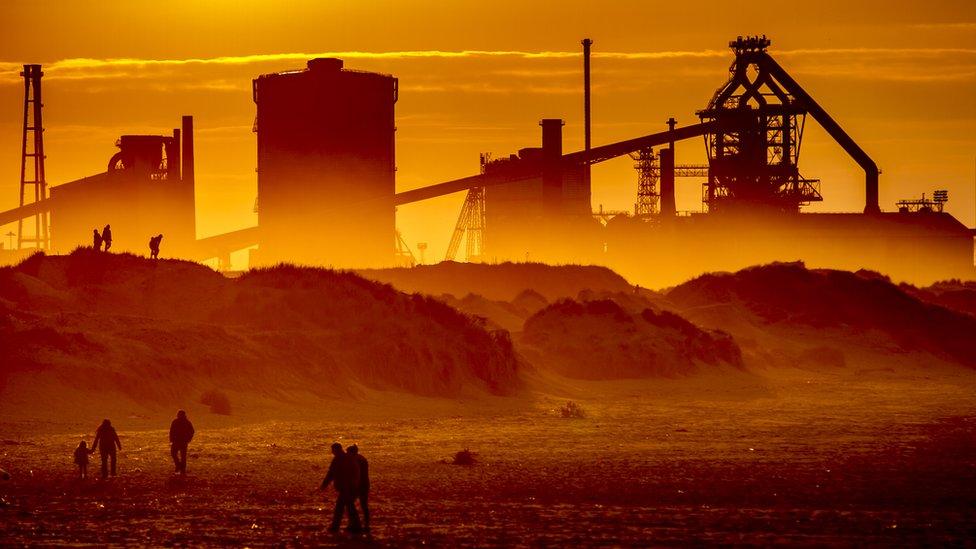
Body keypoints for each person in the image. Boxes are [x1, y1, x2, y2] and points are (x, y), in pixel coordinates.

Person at [319, 442, 361, 533]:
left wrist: (324, 485)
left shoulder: (342, 459)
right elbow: (331, 473)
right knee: (348, 506)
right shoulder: (342, 458)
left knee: (342, 507)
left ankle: (337, 526)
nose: (332, 452)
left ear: (337, 450)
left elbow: (332, 474)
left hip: (347, 488)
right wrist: (324, 484)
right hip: (347, 487)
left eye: (333, 450)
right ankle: (355, 525)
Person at [347, 444, 370, 532]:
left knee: (350, 504)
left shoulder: (355, 460)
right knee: (364, 505)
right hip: (365, 484)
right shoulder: (362, 458)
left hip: (358, 484)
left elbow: (356, 473)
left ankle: (353, 523)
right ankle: (366, 523)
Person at [169, 409, 194, 474]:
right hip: (181, 441)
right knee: (181, 456)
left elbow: (171, 431)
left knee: (175, 454)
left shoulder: (176, 422)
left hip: (178, 441)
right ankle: (181, 468)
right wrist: (188, 439)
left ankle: (179, 466)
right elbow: (192, 431)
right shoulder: (187, 422)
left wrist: (171, 439)